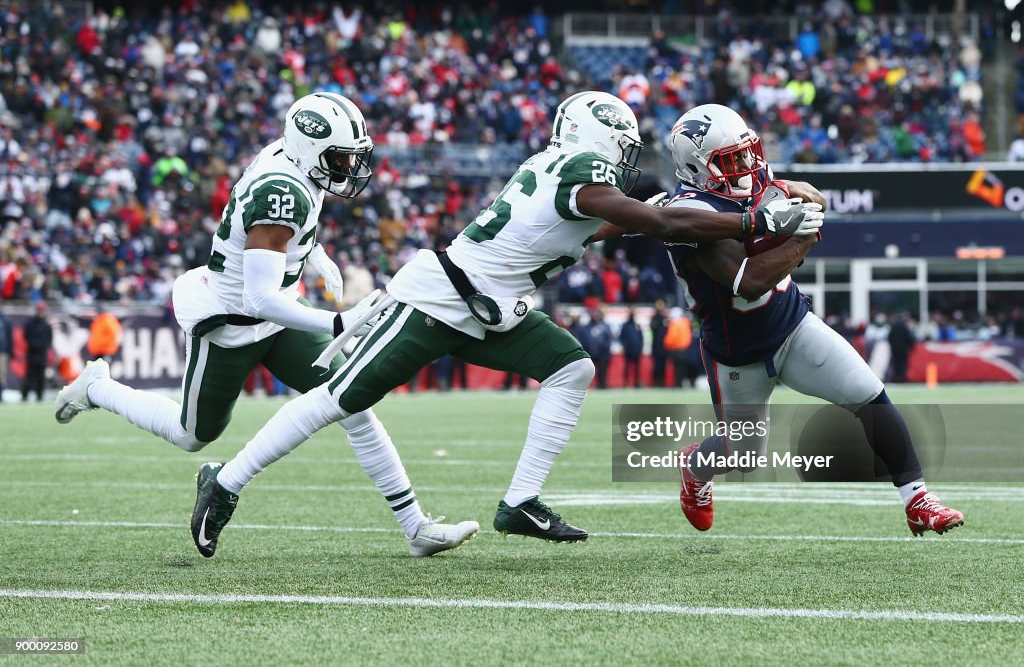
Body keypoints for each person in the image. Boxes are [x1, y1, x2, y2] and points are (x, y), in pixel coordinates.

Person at [190, 90, 824, 552]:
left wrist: (666, 211)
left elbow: (607, 223)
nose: (627, 157)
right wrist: (751, 221)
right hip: (440, 298)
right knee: (339, 399)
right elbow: (652, 222)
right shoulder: (578, 172)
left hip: (492, 305)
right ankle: (227, 481)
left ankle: (519, 502)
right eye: (624, 147)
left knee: (572, 366)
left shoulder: (560, 170)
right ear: (601, 139)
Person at [53, 92, 478, 558]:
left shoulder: (288, 157)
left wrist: (314, 255)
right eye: (340, 157)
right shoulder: (281, 191)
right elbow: (259, 297)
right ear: (309, 151)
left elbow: (287, 235)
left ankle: (415, 527)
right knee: (191, 435)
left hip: (278, 320)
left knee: (355, 401)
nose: (348, 168)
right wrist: (337, 322)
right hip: (233, 322)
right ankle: (97, 388)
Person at [660, 104, 962, 536]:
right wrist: (804, 237)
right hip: (737, 353)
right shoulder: (693, 217)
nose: (747, 165)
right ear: (698, 167)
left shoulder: (755, 178)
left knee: (868, 394)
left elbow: (813, 196)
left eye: (747, 152)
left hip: (792, 325)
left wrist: (789, 192)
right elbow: (750, 282)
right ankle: (694, 467)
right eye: (731, 160)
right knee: (743, 453)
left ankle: (917, 499)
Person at [22, 302, 52, 402]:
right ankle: (24, 396)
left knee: (40, 377)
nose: (41, 311)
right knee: (29, 376)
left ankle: (39, 396)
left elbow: (49, 338)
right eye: (39, 309)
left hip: (42, 354)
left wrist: (42, 345)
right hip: (32, 353)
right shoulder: (31, 323)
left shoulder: (46, 324)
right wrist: (36, 344)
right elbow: (26, 336)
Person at [586, 308, 613, 389]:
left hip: (603, 353)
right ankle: (588, 386)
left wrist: (603, 348)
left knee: (602, 370)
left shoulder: (605, 326)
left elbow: (609, 339)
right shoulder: (587, 326)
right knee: (590, 371)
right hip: (591, 352)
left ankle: (602, 385)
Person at [887, 312, 916, 383]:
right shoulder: (904, 326)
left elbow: (889, 337)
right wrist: (911, 346)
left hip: (895, 350)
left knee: (896, 365)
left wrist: (892, 346)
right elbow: (909, 337)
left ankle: (896, 379)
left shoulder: (893, 326)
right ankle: (902, 379)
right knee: (903, 365)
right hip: (903, 349)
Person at [619, 307, 644, 387]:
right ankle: (626, 382)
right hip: (628, 350)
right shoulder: (625, 325)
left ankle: (636, 382)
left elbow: (641, 338)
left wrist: (640, 348)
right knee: (627, 367)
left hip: (636, 350)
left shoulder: (637, 325)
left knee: (637, 368)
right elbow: (621, 337)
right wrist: (625, 346)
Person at [649, 301, 669, 387]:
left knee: (661, 365)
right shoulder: (657, 319)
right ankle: (657, 381)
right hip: (658, 346)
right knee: (658, 365)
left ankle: (660, 381)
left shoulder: (662, 319)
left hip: (661, 346)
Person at [0, 303, 13, 401]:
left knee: (2, 374)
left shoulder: (5, 320)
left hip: (2, 352)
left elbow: (9, 337)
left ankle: (0, 395)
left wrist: (9, 351)